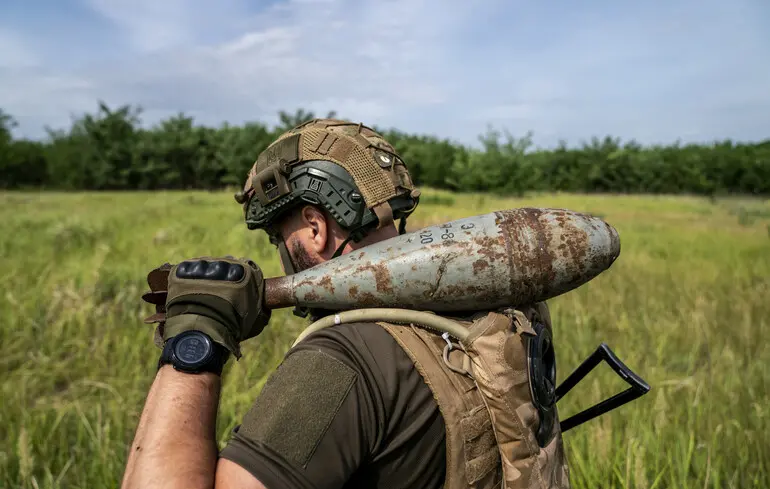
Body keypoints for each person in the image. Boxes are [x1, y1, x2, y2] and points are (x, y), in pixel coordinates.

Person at [121, 119, 571, 489]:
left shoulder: (342, 359)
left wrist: (194, 341)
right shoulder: (504, 305)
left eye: (280, 236)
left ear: (315, 227)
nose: (280, 251)